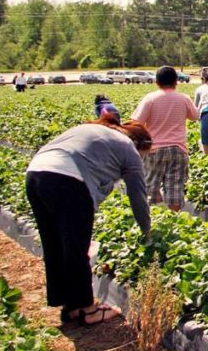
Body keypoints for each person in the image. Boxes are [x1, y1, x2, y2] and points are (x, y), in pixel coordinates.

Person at [25, 113, 152, 326]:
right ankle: (88, 309)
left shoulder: (96, 131)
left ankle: (70, 305)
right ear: (138, 143)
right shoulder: (128, 148)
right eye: (144, 155)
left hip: (36, 174)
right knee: (75, 246)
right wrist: (147, 230)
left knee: (54, 243)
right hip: (68, 180)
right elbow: (137, 195)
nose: (142, 159)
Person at [131, 66, 199, 211]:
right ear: (176, 81)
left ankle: (153, 219)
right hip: (178, 150)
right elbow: (194, 116)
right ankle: (173, 220)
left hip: (154, 149)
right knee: (175, 189)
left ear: (157, 82)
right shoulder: (183, 98)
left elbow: (136, 123)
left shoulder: (151, 99)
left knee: (149, 188)